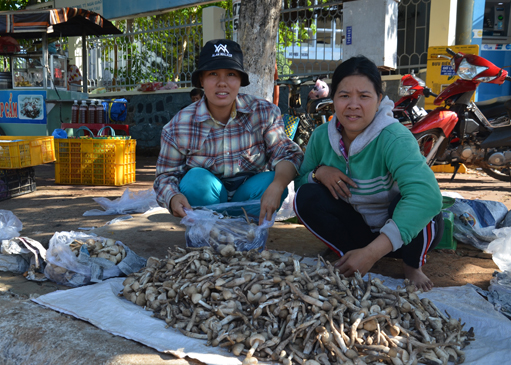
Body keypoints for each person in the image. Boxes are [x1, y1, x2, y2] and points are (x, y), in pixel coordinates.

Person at [293, 56, 443, 292]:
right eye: (344, 96)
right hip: (359, 230)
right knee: (306, 197)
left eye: (364, 96)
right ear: (333, 100)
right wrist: (319, 173)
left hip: (405, 237)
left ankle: (412, 266)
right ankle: (349, 255)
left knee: (419, 205)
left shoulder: (394, 137)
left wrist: (373, 253)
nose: (353, 105)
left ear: (379, 100)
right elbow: (301, 181)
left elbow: (428, 196)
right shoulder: (322, 137)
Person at [154, 39, 303, 223]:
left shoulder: (264, 113)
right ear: (201, 80)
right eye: (213, 74)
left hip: (250, 199)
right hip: (205, 205)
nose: (222, 83)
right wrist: (172, 198)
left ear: (240, 80)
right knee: (195, 181)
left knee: (271, 182)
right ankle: (211, 231)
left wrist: (278, 185)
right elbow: (165, 177)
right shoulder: (179, 125)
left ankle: (245, 232)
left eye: (231, 74)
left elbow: (287, 153)